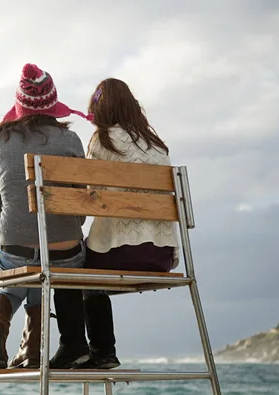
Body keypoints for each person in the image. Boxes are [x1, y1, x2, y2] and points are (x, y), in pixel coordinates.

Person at [50, 78, 181, 370]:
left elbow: (87, 197)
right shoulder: (157, 146)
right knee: (89, 268)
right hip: (160, 255)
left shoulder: (102, 140)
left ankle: (96, 351)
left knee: (77, 268)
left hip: (119, 252)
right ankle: (103, 354)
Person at [0, 63, 94, 369]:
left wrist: (17, 230)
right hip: (65, 250)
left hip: (15, 246)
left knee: (15, 277)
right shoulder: (69, 141)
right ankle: (31, 347)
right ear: (51, 104)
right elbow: (81, 203)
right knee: (46, 264)